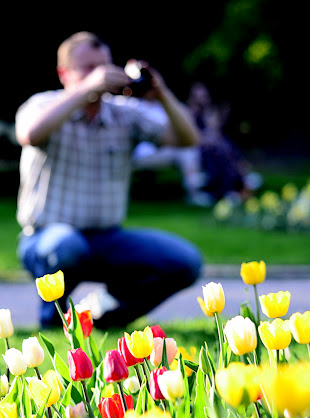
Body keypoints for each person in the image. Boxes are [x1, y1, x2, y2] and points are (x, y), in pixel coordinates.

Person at [15, 31, 203, 329]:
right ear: (63, 74)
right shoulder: (43, 104)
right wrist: (85, 90)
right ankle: (53, 321)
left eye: (103, 66)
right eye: (88, 68)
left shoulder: (125, 114)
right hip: (45, 239)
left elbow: (188, 140)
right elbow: (30, 134)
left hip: (107, 239)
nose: (101, 75)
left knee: (185, 262)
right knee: (67, 246)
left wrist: (162, 95)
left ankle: (104, 316)